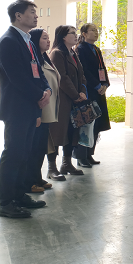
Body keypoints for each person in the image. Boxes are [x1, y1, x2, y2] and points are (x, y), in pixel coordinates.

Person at [0, 0, 50, 218]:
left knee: (25, 153)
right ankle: (6, 202)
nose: (36, 16)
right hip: (17, 108)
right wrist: (39, 95)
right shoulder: (8, 41)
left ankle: (19, 195)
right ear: (18, 16)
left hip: (31, 107)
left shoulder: (28, 40)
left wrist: (46, 89)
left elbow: (39, 71)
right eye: (32, 12)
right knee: (13, 153)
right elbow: (17, 77)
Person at [48, 25, 88, 175]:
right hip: (62, 101)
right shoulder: (57, 53)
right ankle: (52, 168)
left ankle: (66, 164)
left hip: (74, 100)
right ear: (63, 36)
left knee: (72, 132)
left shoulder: (73, 52)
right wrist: (76, 95)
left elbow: (82, 75)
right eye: (72, 33)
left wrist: (82, 91)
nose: (76, 35)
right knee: (57, 133)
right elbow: (62, 78)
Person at [27, 28, 61, 191]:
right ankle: (30, 181)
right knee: (34, 147)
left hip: (49, 108)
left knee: (42, 147)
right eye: (44, 38)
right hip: (40, 109)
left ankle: (37, 178)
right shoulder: (34, 60)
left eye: (48, 38)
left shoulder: (45, 58)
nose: (48, 41)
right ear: (35, 40)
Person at [75, 23, 111, 165]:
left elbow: (103, 69)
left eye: (97, 30)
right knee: (86, 124)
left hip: (99, 91)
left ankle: (90, 154)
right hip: (89, 90)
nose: (96, 33)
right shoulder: (80, 49)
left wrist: (105, 84)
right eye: (92, 30)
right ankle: (81, 157)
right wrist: (97, 85)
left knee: (96, 124)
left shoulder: (96, 49)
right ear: (84, 34)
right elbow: (84, 71)